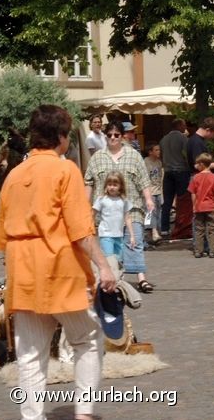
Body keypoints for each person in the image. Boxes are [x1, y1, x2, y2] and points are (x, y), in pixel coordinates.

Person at [0, 105, 115, 420]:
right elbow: (80, 229)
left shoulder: (14, 175)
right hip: (60, 269)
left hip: (22, 271)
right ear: (61, 137)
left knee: (30, 354)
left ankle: (32, 417)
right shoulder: (65, 170)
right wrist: (103, 266)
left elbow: (2, 235)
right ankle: (84, 414)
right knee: (87, 339)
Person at [85, 119, 155, 294]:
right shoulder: (97, 158)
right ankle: (117, 277)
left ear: (122, 136)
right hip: (106, 214)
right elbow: (89, 182)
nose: (113, 138)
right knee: (111, 246)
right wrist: (85, 206)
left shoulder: (133, 155)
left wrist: (148, 199)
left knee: (135, 241)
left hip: (132, 208)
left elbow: (144, 180)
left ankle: (142, 278)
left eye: (116, 135)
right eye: (109, 135)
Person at [92, 171, 135, 263]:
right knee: (109, 259)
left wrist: (132, 236)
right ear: (106, 185)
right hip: (105, 234)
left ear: (120, 186)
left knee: (119, 260)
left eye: (115, 185)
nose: (111, 187)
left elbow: (127, 218)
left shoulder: (124, 200)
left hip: (119, 235)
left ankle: (118, 277)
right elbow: (92, 215)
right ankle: (110, 276)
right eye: (109, 184)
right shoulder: (102, 199)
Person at [159, 118, 190, 236]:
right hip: (181, 171)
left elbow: (161, 155)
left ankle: (164, 227)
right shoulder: (183, 138)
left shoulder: (163, 139)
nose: (185, 128)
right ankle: (180, 225)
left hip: (168, 171)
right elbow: (186, 154)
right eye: (184, 125)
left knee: (167, 201)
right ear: (179, 126)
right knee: (181, 200)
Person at [188, 153, 214, 258]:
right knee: (213, 229)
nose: (196, 166)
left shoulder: (195, 177)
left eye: (197, 164)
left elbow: (193, 193)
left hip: (199, 207)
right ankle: (213, 251)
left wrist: (194, 205)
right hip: (210, 206)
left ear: (202, 164)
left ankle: (198, 251)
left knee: (199, 229)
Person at [143, 142, 163, 242]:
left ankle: (157, 233)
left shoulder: (159, 162)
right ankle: (151, 233)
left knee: (158, 213)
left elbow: (159, 176)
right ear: (150, 152)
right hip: (150, 191)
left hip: (158, 190)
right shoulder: (146, 162)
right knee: (150, 213)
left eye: (159, 150)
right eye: (156, 150)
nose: (159, 152)